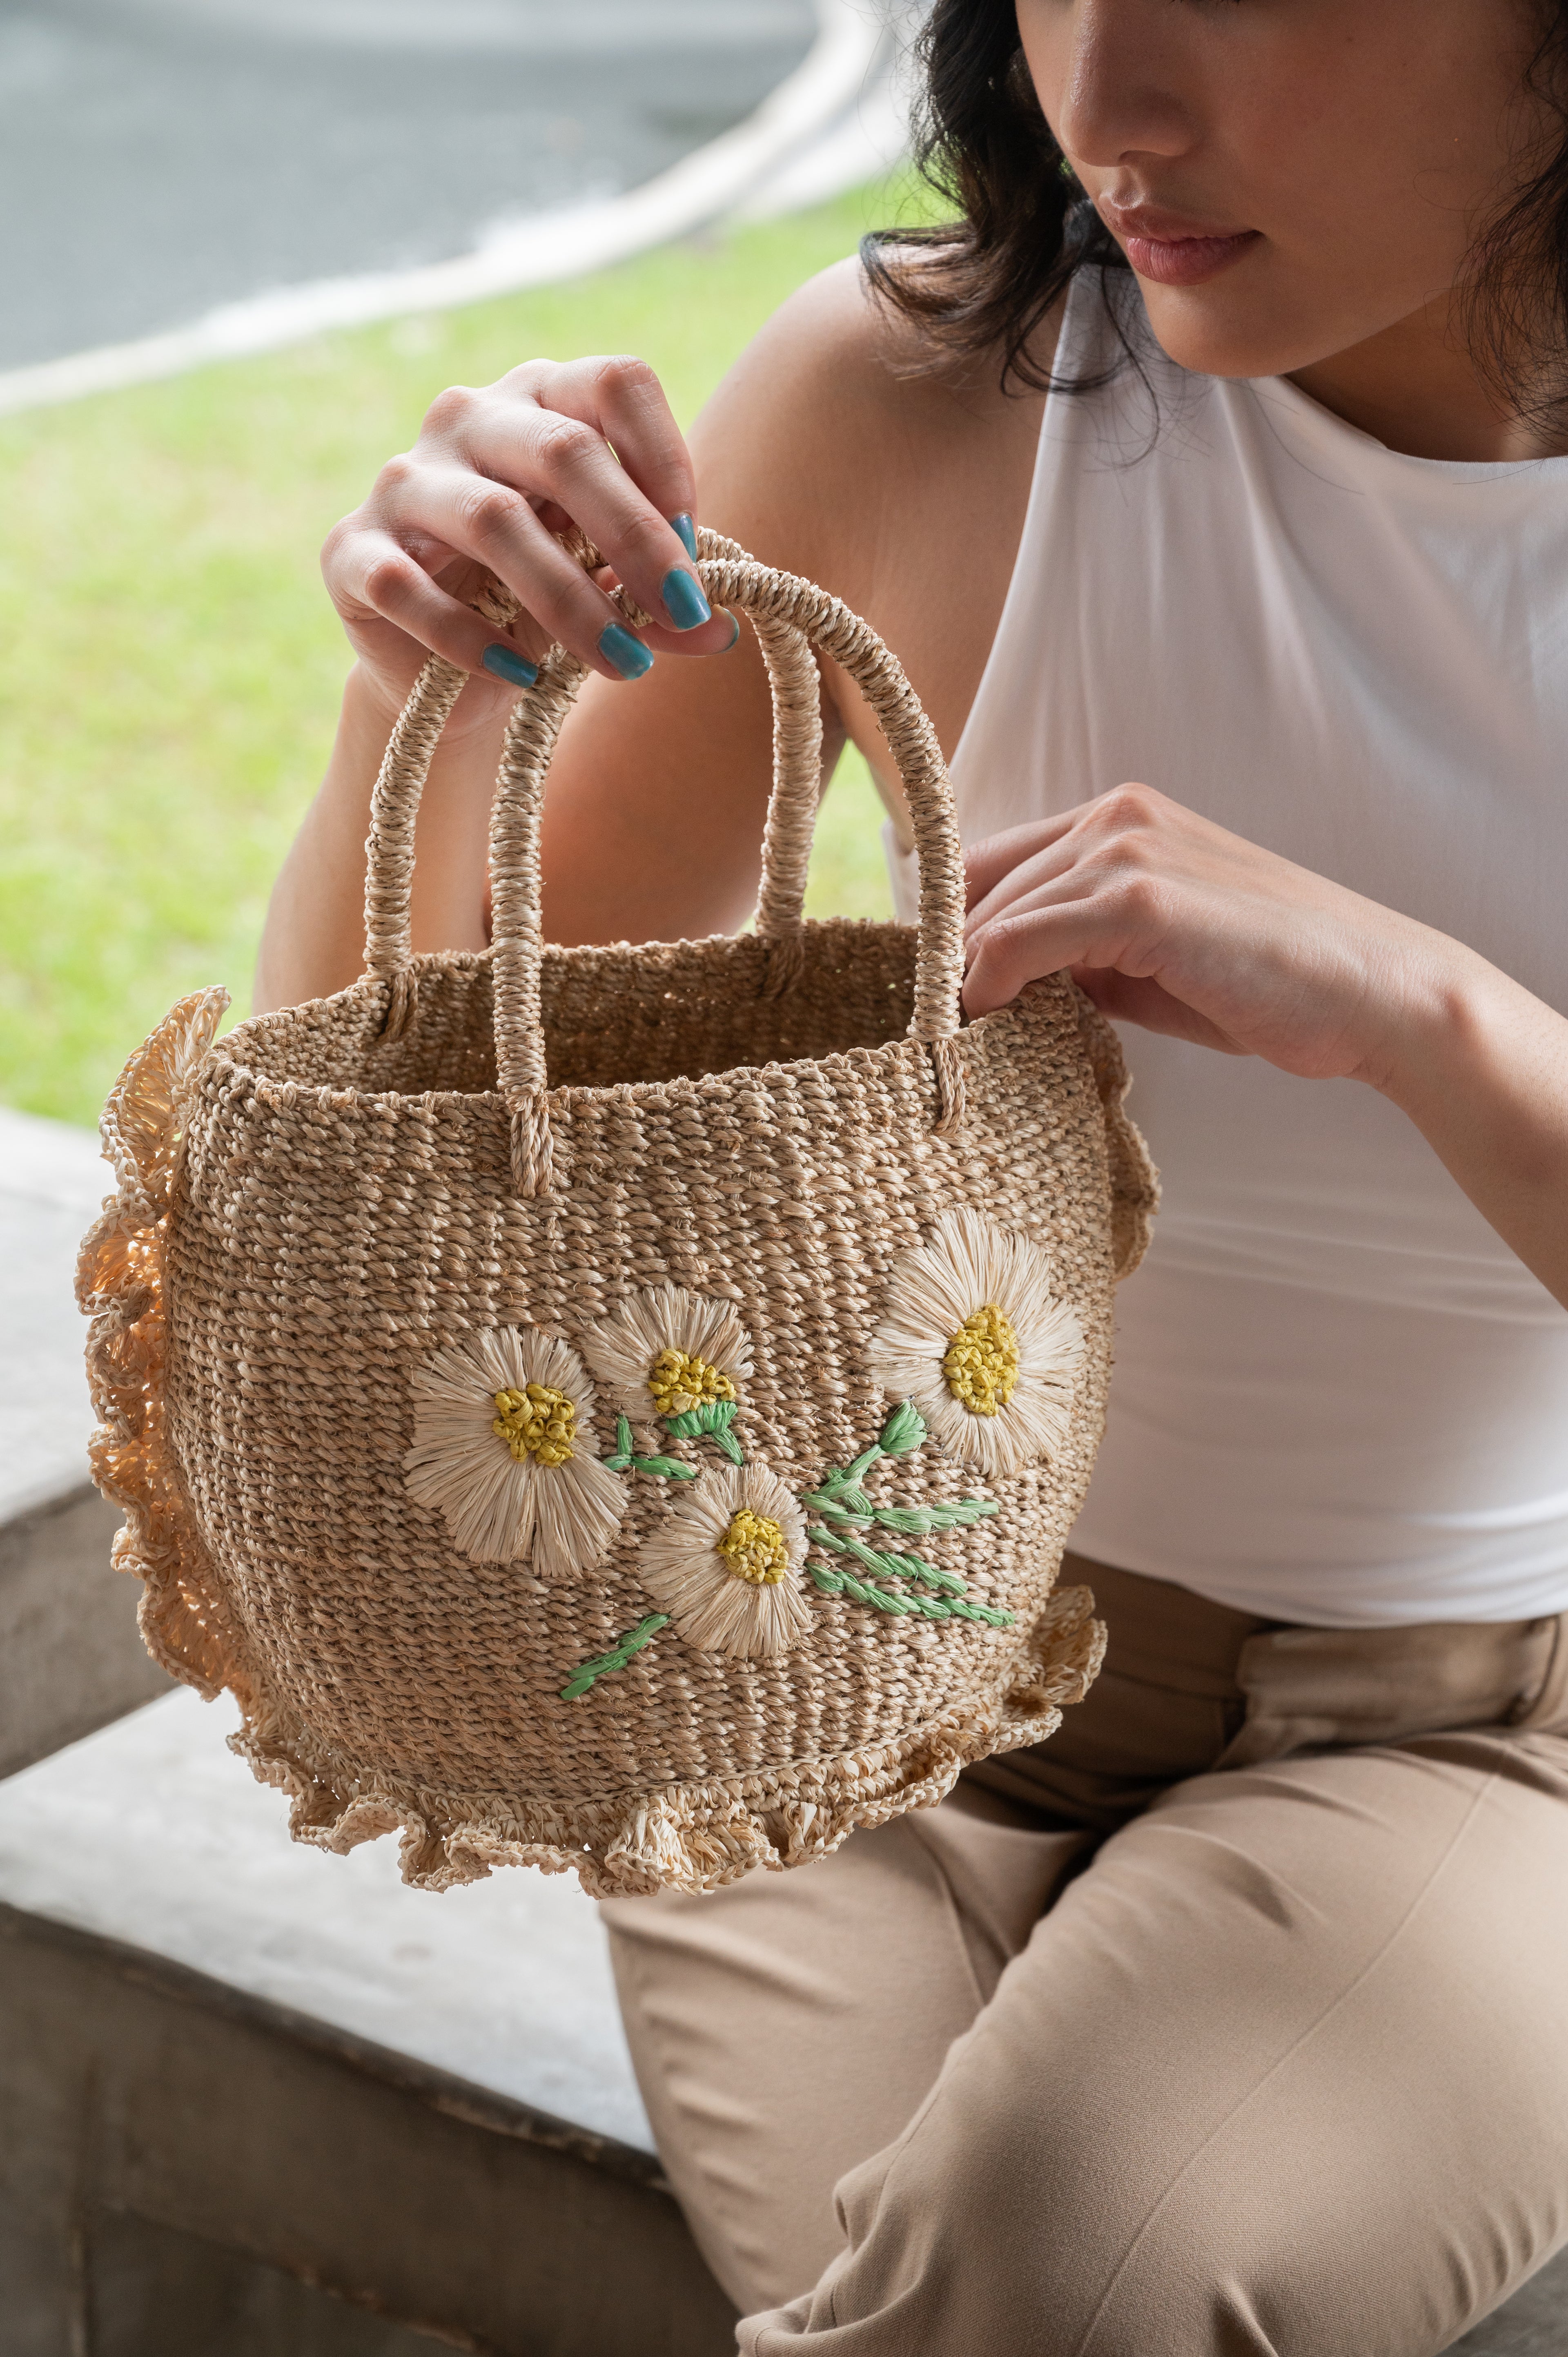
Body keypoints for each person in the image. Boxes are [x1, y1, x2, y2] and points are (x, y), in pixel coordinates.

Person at [256, 1, 1568, 2346]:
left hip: (1482, 1730)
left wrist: (1430, 1018)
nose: (1113, 103)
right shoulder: (931, 393)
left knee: (1047, 2283)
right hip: (814, 1627)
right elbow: (420, 1190)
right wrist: (416, 686)